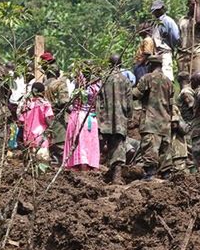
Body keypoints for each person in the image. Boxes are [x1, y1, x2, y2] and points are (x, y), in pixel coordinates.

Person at [132, 55, 173, 179]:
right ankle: (166, 174)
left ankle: (150, 174)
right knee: (165, 150)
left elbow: (136, 94)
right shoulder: (169, 82)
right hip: (165, 121)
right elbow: (171, 103)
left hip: (150, 120)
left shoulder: (147, 78)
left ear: (150, 65)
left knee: (150, 147)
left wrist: (128, 90)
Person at [97, 54, 133, 184]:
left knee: (100, 147)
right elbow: (129, 103)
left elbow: (98, 100)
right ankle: (116, 177)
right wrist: (130, 117)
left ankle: (94, 173)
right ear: (121, 64)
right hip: (120, 120)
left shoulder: (103, 79)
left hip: (104, 119)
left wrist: (98, 118)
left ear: (109, 64)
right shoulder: (125, 80)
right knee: (118, 147)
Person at [63, 63, 101, 171]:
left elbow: (70, 103)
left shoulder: (79, 87)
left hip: (79, 116)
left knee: (81, 143)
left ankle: (81, 168)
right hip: (92, 118)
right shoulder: (97, 86)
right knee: (91, 143)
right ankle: (92, 168)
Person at [17, 82, 54, 160]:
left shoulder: (26, 104)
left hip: (28, 134)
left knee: (30, 157)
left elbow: (21, 119)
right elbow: (48, 118)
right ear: (43, 92)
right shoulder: (45, 104)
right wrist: (51, 130)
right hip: (41, 134)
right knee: (42, 157)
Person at [44, 64, 70, 164]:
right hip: (57, 117)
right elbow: (64, 101)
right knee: (60, 145)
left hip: (44, 118)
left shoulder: (43, 85)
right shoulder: (60, 84)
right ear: (57, 73)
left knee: (48, 144)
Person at [150, 0, 180, 81]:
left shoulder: (168, 21)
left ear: (163, 9)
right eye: (155, 11)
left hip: (165, 53)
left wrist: (171, 46)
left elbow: (176, 37)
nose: (156, 13)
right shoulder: (156, 22)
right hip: (156, 55)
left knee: (167, 78)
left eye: (158, 10)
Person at [177, 0, 200, 75]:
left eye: (195, 5)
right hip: (184, 53)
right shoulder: (182, 20)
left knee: (198, 77)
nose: (194, 7)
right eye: (192, 4)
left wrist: (198, 4)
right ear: (188, 5)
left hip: (196, 52)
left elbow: (199, 22)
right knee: (183, 78)